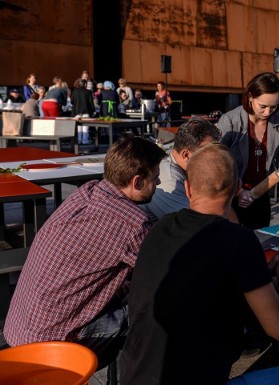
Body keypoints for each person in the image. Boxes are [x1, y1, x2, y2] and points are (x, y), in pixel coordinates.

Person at [120, 144, 279, 385]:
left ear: (187, 188)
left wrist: (260, 272)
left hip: (134, 377)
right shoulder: (239, 241)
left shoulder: (159, 228)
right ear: (238, 189)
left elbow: (205, 276)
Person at [4, 136, 167, 369]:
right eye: (155, 177)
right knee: (153, 308)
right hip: (53, 345)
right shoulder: (133, 224)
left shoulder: (88, 190)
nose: (159, 181)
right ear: (137, 181)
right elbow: (162, 272)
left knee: (127, 288)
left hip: (19, 329)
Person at [218, 72, 279, 229]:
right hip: (231, 197)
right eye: (263, 106)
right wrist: (237, 191)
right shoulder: (230, 121)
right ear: (250, 97)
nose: (268, 112)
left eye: (274, 106)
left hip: (262, 195)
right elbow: (217, 164)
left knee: (260, 243)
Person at [141, 117, 221, 222]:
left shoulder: (179, 164)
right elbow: (194, 226)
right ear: (186, 155)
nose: (214, 159)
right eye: (208, 153)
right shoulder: (169, 180)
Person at [72, 78, 96, 144]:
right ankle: (85, 140)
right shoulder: (88, 92)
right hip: (86, 111)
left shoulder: (74, 91)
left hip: (77, 111)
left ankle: (79, 140)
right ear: (85, 84)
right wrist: (93, 110)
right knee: (85, 127)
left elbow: (72, 101)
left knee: (78, 126)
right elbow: (91, 103)